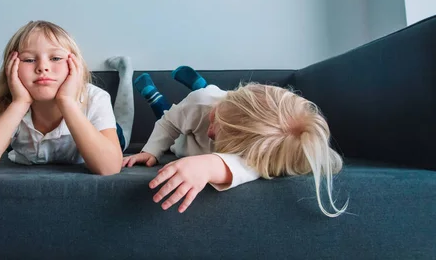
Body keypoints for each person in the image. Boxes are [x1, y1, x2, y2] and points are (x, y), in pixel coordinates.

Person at [124, 66, 348, 217]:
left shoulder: (264, 148)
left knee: (199, 111)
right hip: (193, 117)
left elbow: (252, 167)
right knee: (171, 115)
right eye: (217, 122)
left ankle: (181, 89)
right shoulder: (204, 105)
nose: (210, 134)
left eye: (219, 136)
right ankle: (182, 89)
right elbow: (169, 123)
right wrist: (151, 151)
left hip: (197, 132)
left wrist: (208, 165)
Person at [0, 20, 123, 178]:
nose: (43, 67)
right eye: (29, 60)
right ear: (11, 68)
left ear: (75, 65)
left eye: (56, 58)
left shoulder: (96, 98)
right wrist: (20, 103)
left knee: (124, 127)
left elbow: (109, 168)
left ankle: (125, 75)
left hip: (105, 136)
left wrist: (66, 101)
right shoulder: (10, 102)